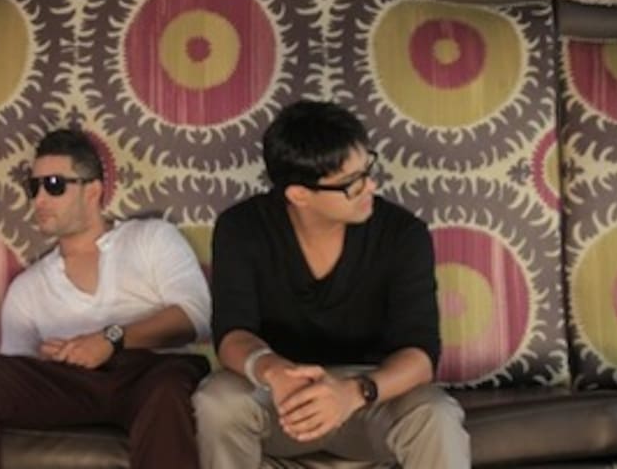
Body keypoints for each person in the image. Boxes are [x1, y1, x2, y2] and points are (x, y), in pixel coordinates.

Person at [194, 100, 469, 468]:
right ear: (299, 195)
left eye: (367, 170)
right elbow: (232, 334)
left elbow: (420, 356)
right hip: (281, 396)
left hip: (371, 397)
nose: (370, 186)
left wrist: (354, 393)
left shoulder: (403, 234)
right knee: (218, 400)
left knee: (438, 414)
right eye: (351, 183)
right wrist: (273, 371)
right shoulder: (242, 228)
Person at [0, 129, 212, 468]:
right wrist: (49, 359)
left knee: (168, 392)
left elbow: (196, 317)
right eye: (33, 187)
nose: (39, 200)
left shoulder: (151, 238)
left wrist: (110, 339)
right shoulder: (28, 287)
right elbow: (16, 373)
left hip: (150, 374)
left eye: (54, 185)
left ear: (93, 190)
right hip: (73, 384)